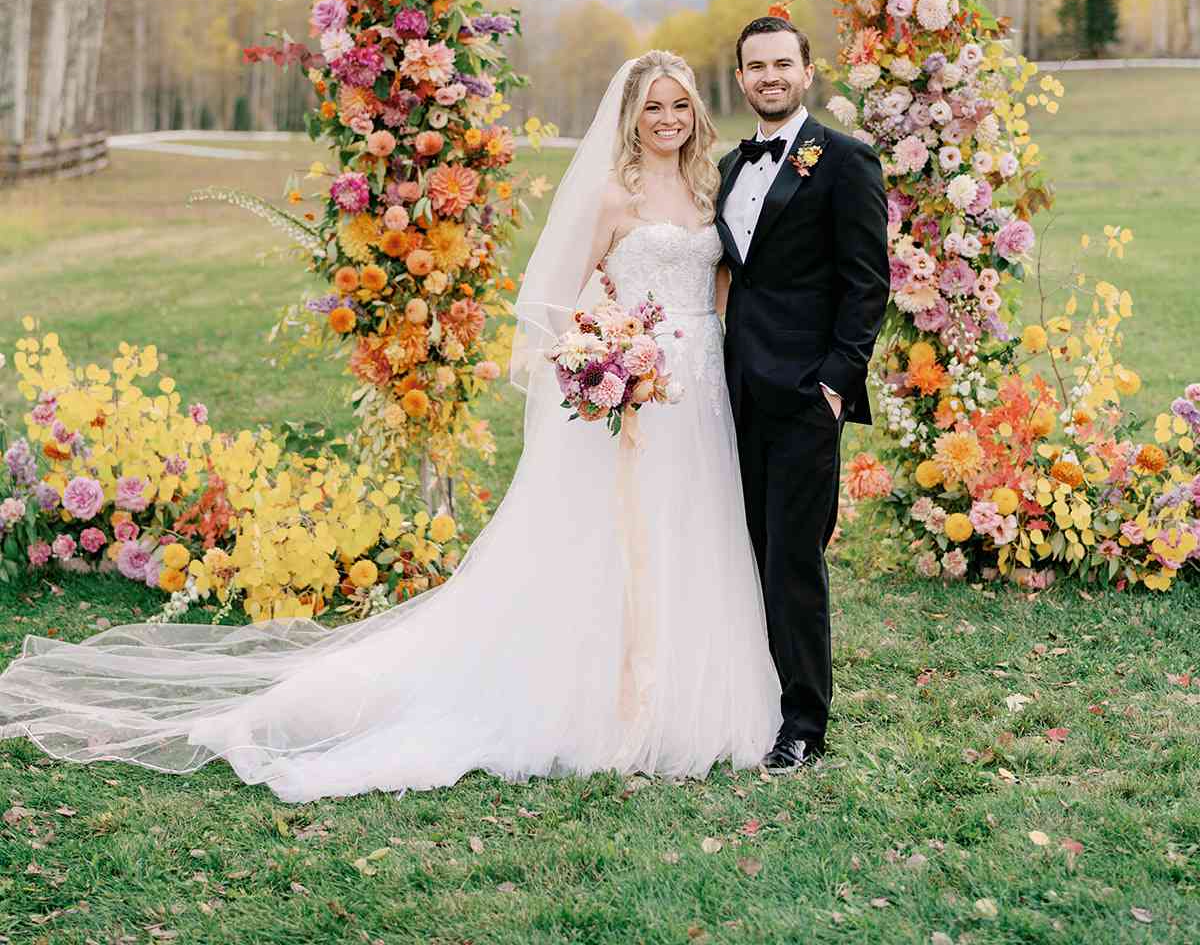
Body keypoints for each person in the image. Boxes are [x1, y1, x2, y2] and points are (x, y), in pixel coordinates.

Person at [0, 52, 780, 802]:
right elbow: (557, 302)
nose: (669, 119)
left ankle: (692, 686)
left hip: (700, 385)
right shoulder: (616, 196)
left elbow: (716, 285)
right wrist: (607, 353)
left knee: (695, 526)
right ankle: (609, 693)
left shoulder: (711, 188)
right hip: (633, 389)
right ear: (631, 116)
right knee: (618, 538)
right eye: (655, 107)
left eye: (682, 106)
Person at [716, 16, 890, 773]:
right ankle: (748, 696)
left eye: (782, 64)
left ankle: (803, 726)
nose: (770, 77)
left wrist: (833, 386)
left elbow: (868, 284)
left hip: (803, 397)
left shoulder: (846, 161)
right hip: (731, 395)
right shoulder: (729, 165)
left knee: (793, 560)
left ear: (808, 70)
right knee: (743, 553)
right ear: (742, 78)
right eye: (756, 67)